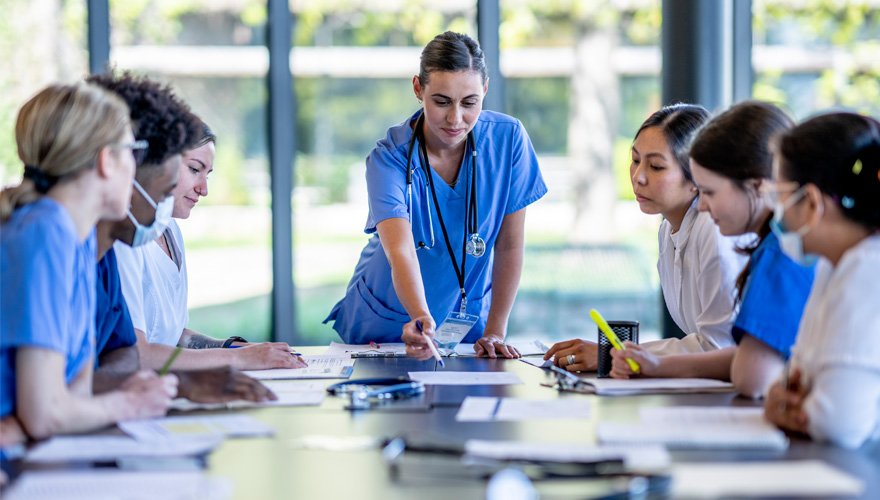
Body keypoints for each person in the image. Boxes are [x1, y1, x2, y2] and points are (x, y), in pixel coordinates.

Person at [324, 31, 547, 359]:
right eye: (441, 101)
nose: (456, 119)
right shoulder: (389, 159)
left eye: (470, 102)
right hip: (389, 318)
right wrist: (419, 315)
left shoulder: (509, 141)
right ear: (418, 88)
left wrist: (497, 329)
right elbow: (400, 250)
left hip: (467, 320)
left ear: (485, 90)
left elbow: (510, 244)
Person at [89, 71, 304, 372]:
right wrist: (237, 359)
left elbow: (173, 335)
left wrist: (237, 348)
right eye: (194, 169)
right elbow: (134, 352)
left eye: (208, 174)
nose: (203, 188)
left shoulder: (169, 230)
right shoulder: (123, 237)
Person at [0, 82, 176, 441]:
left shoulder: (78, 242)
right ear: (106, 160)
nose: (135, 167)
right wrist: (129, 403)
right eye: (132, 151)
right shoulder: (44, 233)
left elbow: (71, 396)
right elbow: (45, 414)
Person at [611, 102, 815, 398]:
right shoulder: (773, 247)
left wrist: (656, 362)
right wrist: (655, 364)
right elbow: (746, 353)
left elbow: (750, 375)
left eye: (709, 191)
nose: (703, 205)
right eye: (635, 160)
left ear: (758, 187)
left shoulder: (779, 254)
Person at [544, 104, 747, 372]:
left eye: (656, 166)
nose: (638, 177)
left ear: (697, 175)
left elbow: (717, 345)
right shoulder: (668, 229)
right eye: (636, 160)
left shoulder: (713, 229)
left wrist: (611, 353)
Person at [764, 112, 880, 449]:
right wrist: (782, 397)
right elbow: (791, 382)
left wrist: (788, 406)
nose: (776, 210)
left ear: (812, 202)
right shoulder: (834, 266)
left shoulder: (867, 270)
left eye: (779, 195)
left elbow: (837, 422)